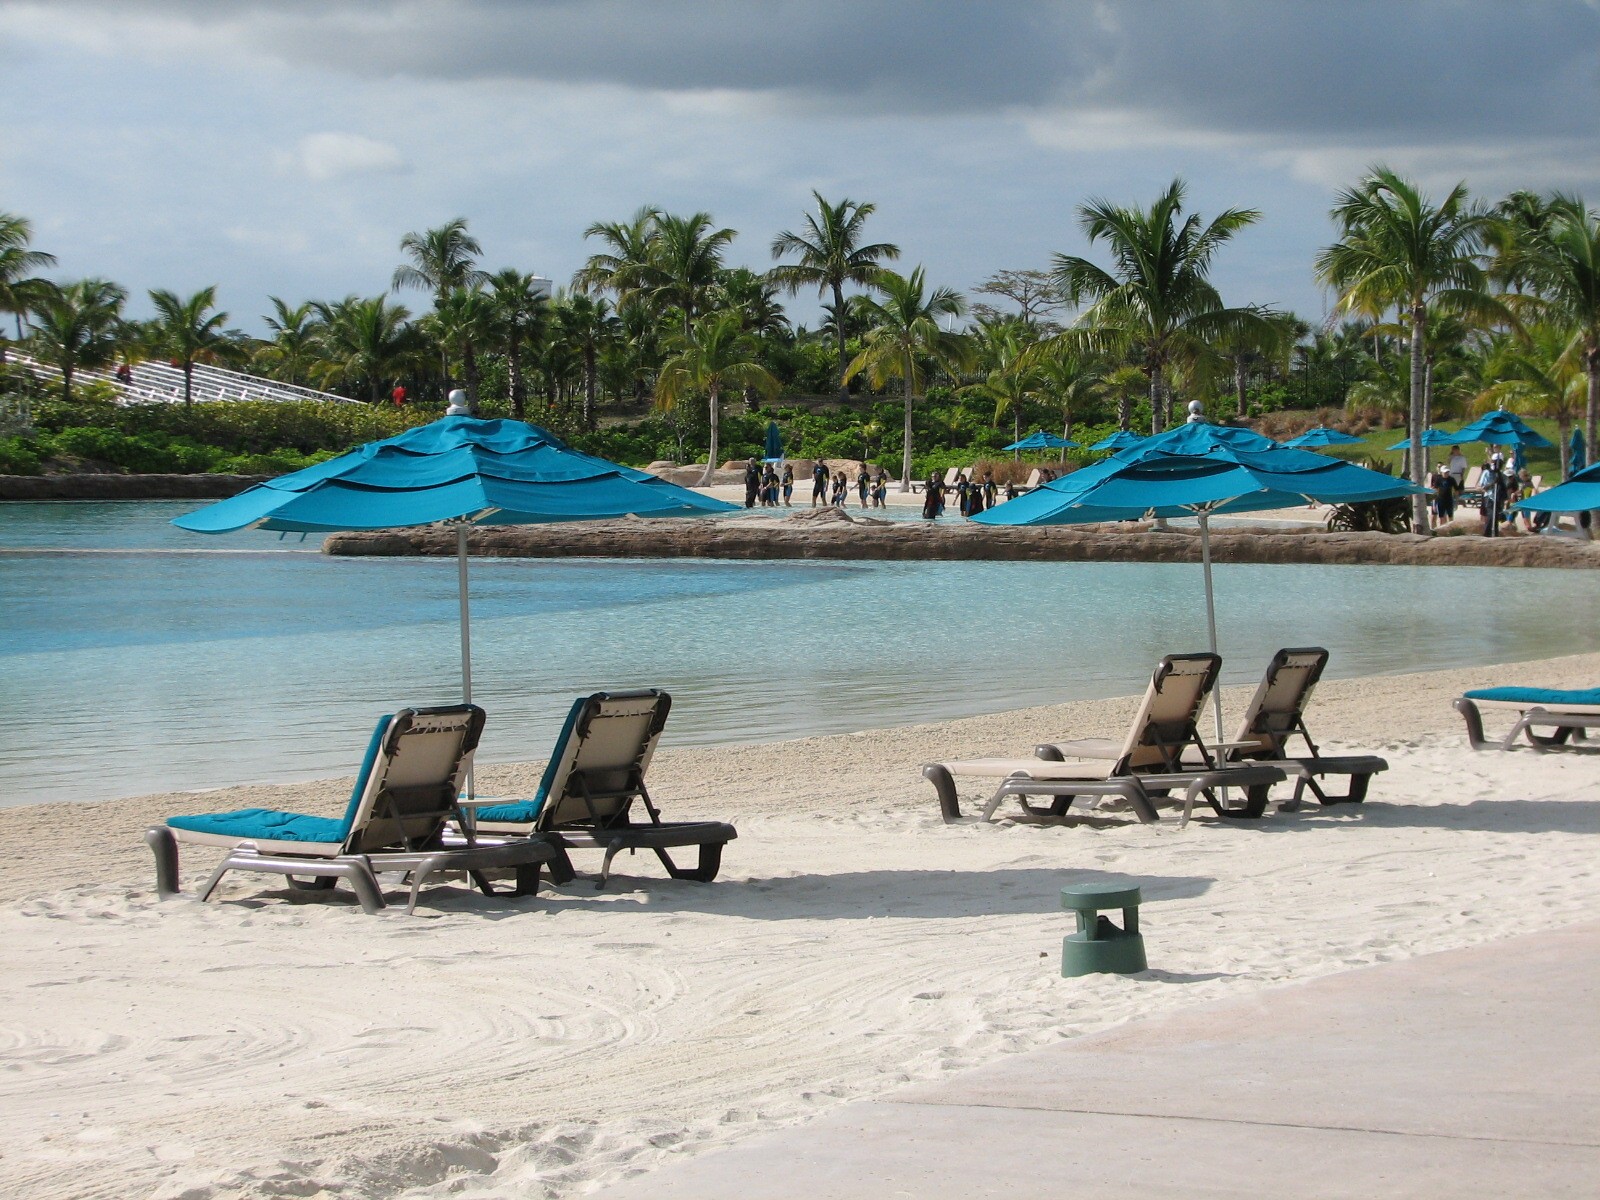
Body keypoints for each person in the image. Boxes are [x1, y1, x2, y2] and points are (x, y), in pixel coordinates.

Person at [1428, 462, 1457, 530]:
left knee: (1450, 516)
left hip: (1449, 499)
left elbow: (1456, 489)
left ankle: (1451, 529)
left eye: (1447, 472)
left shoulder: (1451, 479)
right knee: (1441, 516)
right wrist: (1434, 499)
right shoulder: (1437, 478)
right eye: (1445, 472)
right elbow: (1435, 488)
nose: (1446, 473)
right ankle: (1442, 530)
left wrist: (1456, 498)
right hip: (1440, 499)